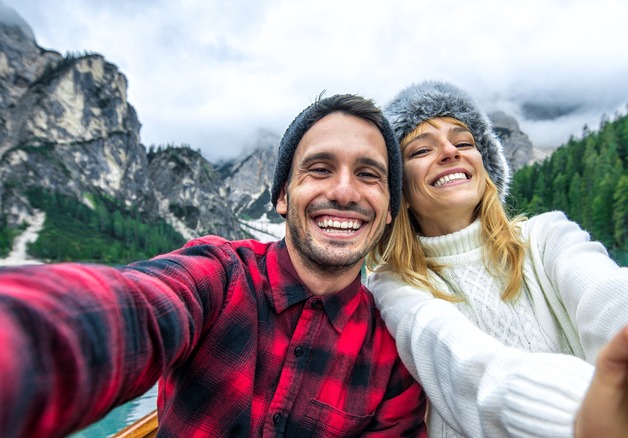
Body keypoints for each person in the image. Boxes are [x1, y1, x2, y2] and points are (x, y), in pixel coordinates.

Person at [366, 80, 628, 437]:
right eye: (421, 150)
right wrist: (593, 417)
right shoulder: (392, 285)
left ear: (485, 168)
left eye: (464, 142)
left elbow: (612, 293)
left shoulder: (546, 236)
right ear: (398, 188)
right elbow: (463, 365)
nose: (450, 152)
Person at [0, 93, 427, 438]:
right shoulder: (219, 275)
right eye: (319, 168)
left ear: (390, 209)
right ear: (282, 196)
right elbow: (133, 308)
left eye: (370, 175)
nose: (345, 191)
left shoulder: (392, 357)